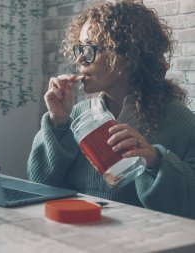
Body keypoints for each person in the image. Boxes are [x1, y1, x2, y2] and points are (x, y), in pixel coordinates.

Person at [27, 0, 195, 219]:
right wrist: (58, 123)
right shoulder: (77, 115)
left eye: (89, 49)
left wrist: (154, 161)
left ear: (127, 57)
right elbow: (38, 184)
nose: (79, 58)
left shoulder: (181, 121)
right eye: (79, 48)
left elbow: (189, 207)